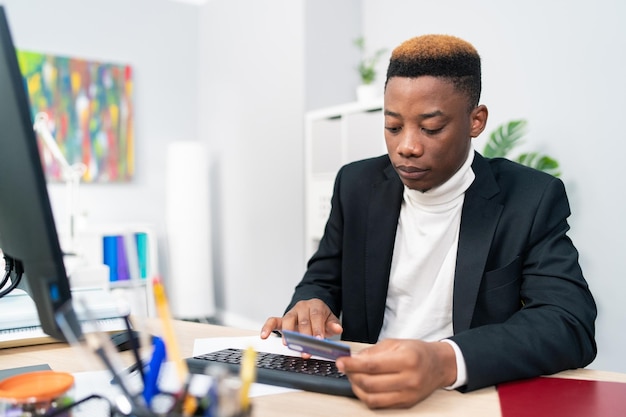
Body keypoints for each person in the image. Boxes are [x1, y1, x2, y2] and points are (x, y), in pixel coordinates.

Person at [260, 34, 597, 409]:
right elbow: (322, 278)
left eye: (431, 128)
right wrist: (311, 303)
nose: (407, 146)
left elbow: (568, 323)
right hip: (363, 392)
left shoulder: (530, 198)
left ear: (476, 121)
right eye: (392, 126)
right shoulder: (355, 186)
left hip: (465, 398)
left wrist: (444, 360)